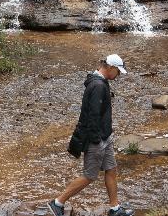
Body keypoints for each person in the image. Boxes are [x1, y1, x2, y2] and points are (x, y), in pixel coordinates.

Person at [48, 54, 134, 216]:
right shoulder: (98, 86)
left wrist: (105, 137)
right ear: (110, 68)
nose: (119, 75)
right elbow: (92, 116)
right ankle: (57, 202)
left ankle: (114, 208)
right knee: (89, 175)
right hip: (97, 139)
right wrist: (97, 140)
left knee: (111, 169)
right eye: (118, 71)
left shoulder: (100, 83)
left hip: (105, 137)